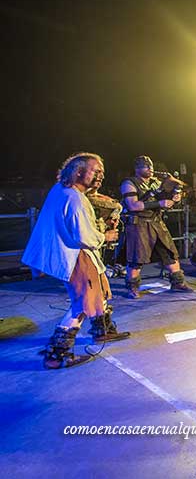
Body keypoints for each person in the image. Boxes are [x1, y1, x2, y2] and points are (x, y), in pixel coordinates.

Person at [23, 153, 130, 369]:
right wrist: (105, 236)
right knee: (83, 303)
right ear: (78, 171)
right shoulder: (74, 198)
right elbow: (84, 236)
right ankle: (57, 353)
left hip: (74, 253)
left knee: (99, 292)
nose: (100, 175)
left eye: (101, 172)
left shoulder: (61, 190)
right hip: (76, 256)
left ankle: (103, 331)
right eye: (95, 171)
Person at [120, 155, 193, 298]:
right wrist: (158, 203)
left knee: (170, 253)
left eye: (151, 166)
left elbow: (168, 196)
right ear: (137, 168)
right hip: (139, 224)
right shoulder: (129, 183)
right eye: (145, 166)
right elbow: (133, 205)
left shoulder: (155, 182)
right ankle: (132, 286)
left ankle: (177, 282)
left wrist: (174, 196)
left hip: (156, 221)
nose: (150, 169)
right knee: (136, 258)